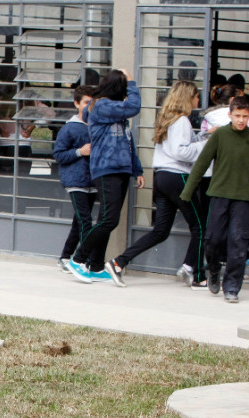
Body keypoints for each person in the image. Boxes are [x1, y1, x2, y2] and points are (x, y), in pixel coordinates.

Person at [103, 81, 208, 288]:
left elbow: (177, 147)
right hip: (178, 177)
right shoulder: (182, 121)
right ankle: (194, 273)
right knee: (200, 226)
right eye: (196, 96)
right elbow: (181, 152)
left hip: (161, 178)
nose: (199, 100)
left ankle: (118, 262)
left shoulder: (168, 119)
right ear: (188, 97)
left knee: (160, 231)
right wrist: (205, 144)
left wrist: (203, 136)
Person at [65, 69, 145, 284]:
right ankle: (78, 259)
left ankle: (96, 266)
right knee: (110, 220)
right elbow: (134, 106)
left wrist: (136, 170)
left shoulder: (114, 111)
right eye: (124, 87)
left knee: (106, 220)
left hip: (121, 169)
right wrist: (132, 82)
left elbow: (127, 142)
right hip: (106, 169)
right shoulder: (101, 106)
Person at [180, 95, 249, 303]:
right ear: (230, 115)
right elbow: (201, 164)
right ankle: (213, 269)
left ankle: (232, 287)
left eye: (245, 116)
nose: (241, 120)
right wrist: (188, 192)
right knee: (212, 239)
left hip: (242, 197)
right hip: (219, 194)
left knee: (238, 243)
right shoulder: (220, 135)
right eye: (237, 115)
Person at [53, 85, 96, 274]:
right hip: (75, 182)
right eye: (86, 102)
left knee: (79, 222)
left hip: (93, 182)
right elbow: (59, 154)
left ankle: (65, 256)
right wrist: (80, 152)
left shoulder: (97, 125)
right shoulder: (69, 128)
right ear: (77, 103)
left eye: (92, 102)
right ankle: (82, 260)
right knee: (86, 221)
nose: (89, 106)